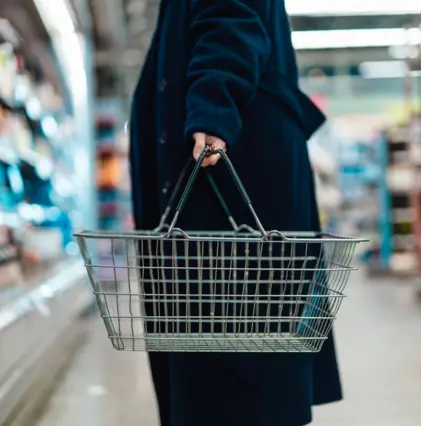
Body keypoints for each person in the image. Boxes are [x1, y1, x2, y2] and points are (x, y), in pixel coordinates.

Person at [129, 1, 340, 425]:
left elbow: (230, 16)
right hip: (234, 167)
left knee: (232, 361)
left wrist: (213, 105)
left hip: (228, 171)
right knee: (234, 355)